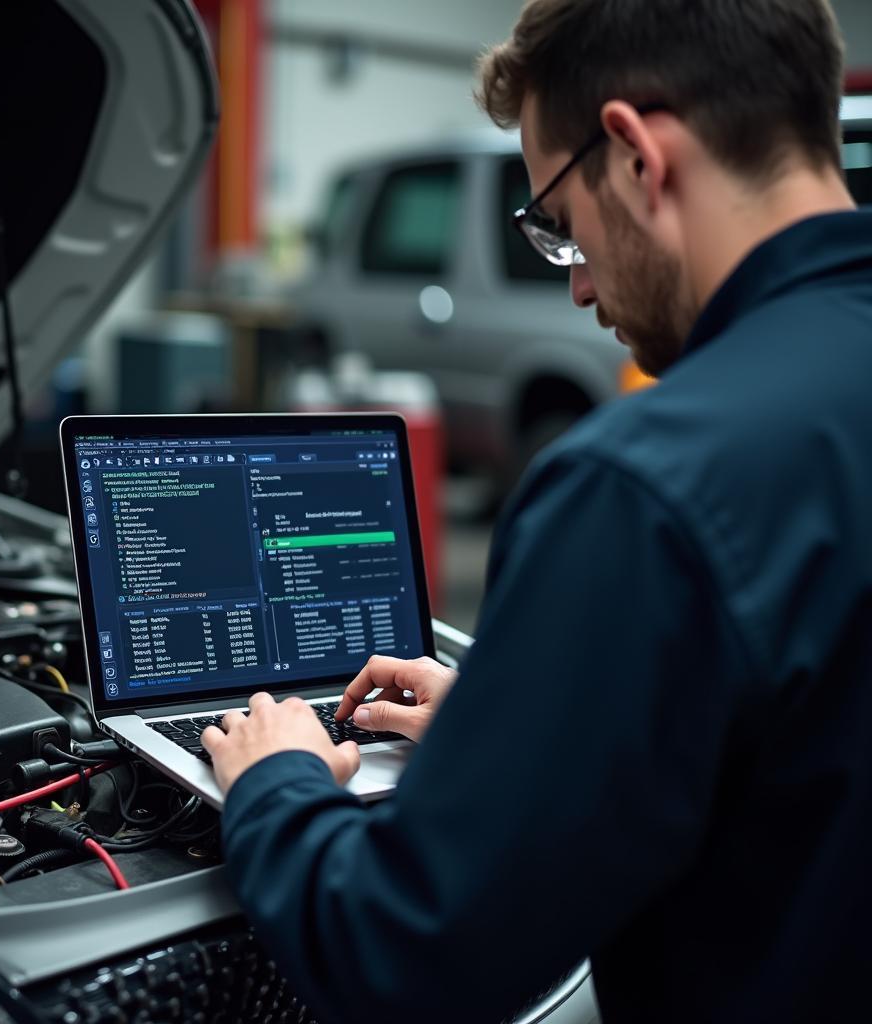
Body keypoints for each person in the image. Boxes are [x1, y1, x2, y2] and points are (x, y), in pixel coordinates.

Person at [201, 1, 872, 1020]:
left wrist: (277, 781)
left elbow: (403, 954)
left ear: (637, 157)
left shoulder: (641, 484)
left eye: (557, 225)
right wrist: (528, 729)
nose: (576, 286)